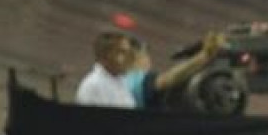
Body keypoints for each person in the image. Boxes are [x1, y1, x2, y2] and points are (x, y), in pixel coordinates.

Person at [74, 29, 224, 109]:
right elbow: (169, 79)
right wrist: (202, 58)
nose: (128, 58)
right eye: (123, 53)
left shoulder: (119, 80)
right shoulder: (96, 85)